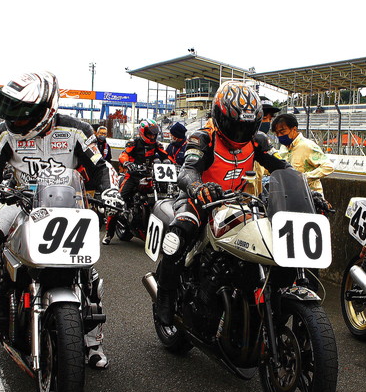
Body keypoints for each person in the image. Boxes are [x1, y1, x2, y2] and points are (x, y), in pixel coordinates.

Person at [0, 71, 120, 368]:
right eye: (11, 111)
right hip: (18, 201)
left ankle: (92, 342)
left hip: (67, 204)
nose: (15, 119)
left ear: (47, 109)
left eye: (22, 112)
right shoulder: (3, 132)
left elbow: (101, 167)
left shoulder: (77, 130)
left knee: (88, 275)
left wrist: (110, 191)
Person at [153, 81, 293, 325]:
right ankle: (165, 294)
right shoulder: (203, 138)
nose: (240, 132)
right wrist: (198, 187)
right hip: (199, 200)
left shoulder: (258, 141)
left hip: (238, 203)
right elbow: (187, 171)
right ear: (219, 116)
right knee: (179, 232)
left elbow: (283, 167)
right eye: (234, 125)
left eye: (246, 126)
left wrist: (305, 191)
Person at [102, 119, 172, 245]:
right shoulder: (133, 143)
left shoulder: (157, 145)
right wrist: (127, 163)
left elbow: (166, 156)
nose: (152, 136)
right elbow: (123, 155)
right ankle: (108, 233)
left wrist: (174, 164)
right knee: (117, 202)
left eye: (154, 134)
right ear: (142, 132)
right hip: (133, 176)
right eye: (149, 134)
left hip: (150, 176)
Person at [271, 113, 335, 196]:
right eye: (277, 133)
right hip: (290, 195)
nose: (279, 136)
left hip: (310, 196)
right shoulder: (283, 148)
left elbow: (328, 167)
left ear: (294, 129)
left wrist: (304, 177)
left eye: (282, 132)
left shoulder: (307, 146)